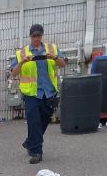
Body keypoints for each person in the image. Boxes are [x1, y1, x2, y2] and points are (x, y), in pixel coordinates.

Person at [9, 24, 67, 164]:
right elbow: (13, 72)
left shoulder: (51, 49)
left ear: (42, 36)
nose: (36, 38)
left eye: (38, 36)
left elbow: (62, 64)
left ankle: (30, 141)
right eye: (34, 36)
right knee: (34, 123)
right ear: (30, 36)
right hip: (31, 94)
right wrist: (22, 62)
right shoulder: (22, 53)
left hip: (48, 92)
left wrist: (53, 57)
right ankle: (36, 152)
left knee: (44, 121)